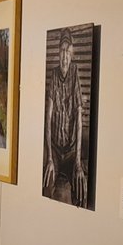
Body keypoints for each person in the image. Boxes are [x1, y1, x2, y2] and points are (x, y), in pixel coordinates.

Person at [44, 29, 87, 205]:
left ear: (72, 54)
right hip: (54, 148)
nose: (64, 57)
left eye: (68, 52)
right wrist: (49, 158)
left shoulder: (74, 72)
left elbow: (78, 118)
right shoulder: (53, 75)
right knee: (47, 185)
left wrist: (77, 161)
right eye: (62, 51)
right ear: (58, 53)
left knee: (81, 189)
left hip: (70, 150)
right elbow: (47, 120)